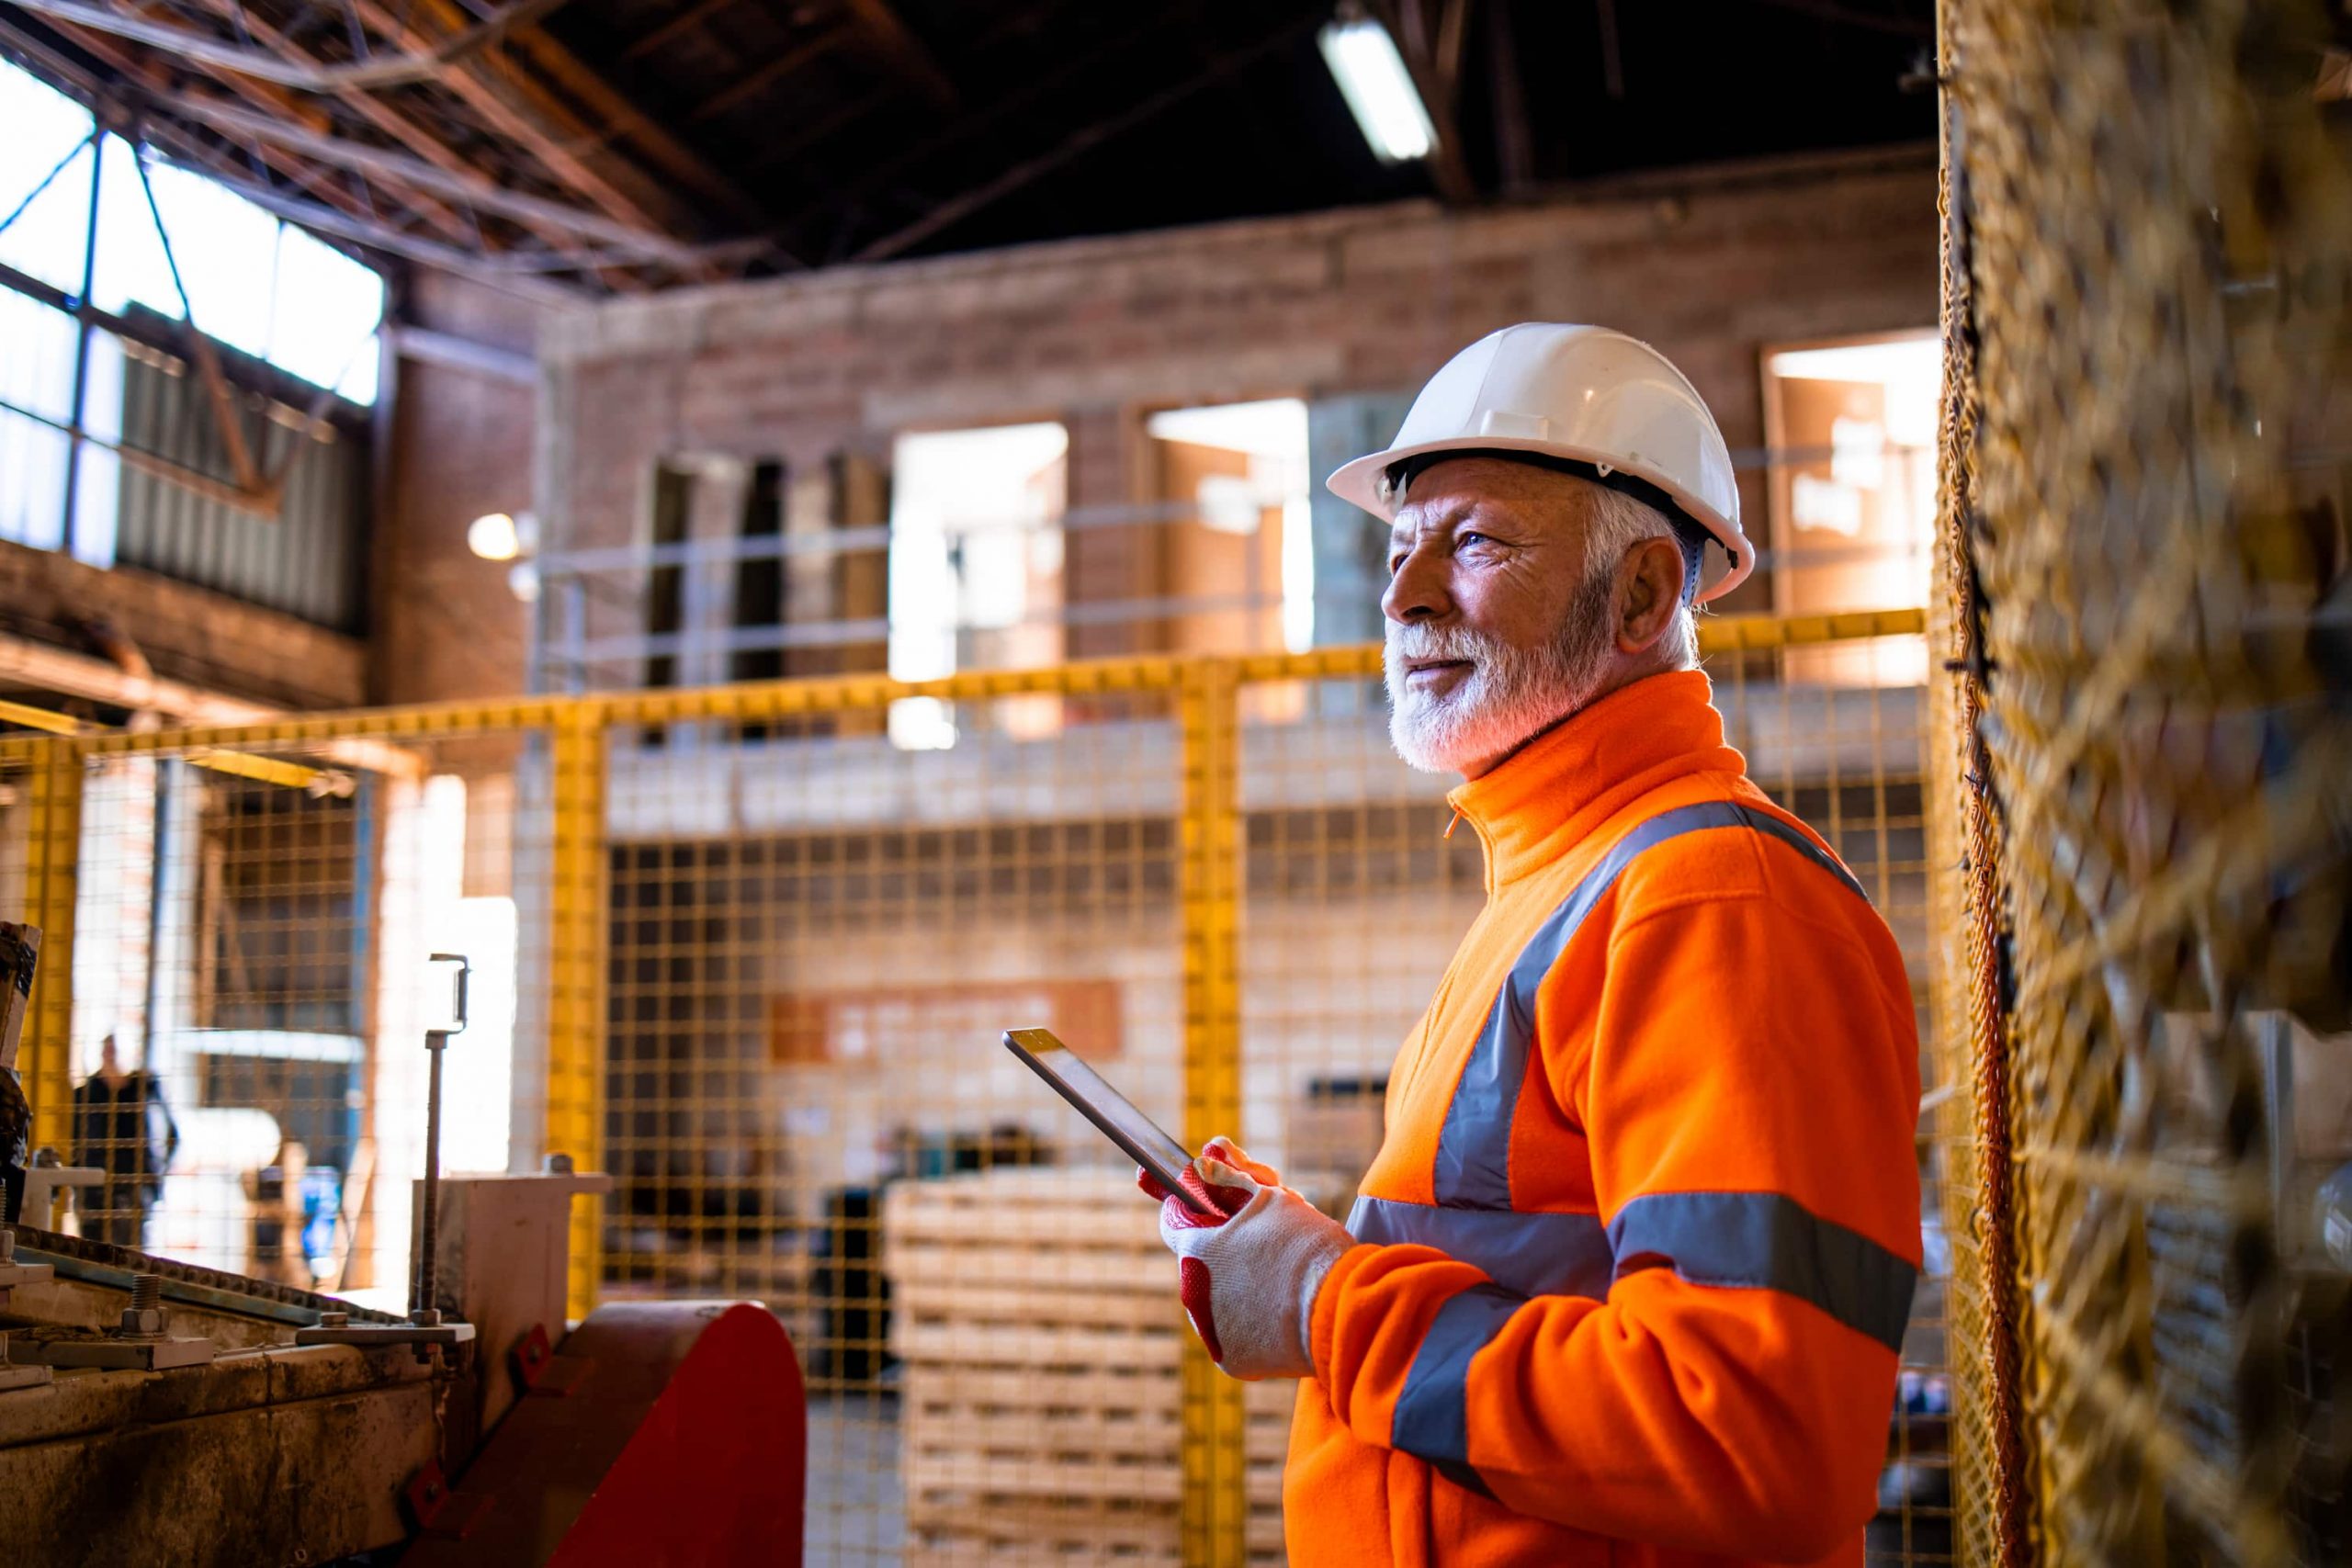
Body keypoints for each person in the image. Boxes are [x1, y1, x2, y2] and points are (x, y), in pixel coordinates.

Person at [1145, 324, 1922, 1565]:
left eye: (1477, 543)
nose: (1402, 597)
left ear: (1643, 595)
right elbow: (1525, 1266)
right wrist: (1314, 1250)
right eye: (1400, 549)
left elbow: (1750, 1440)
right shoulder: (1563, 878)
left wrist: (1315, 1299)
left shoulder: (1715, 899)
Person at [72, 1034, 178, 1248]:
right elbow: (73, 1142)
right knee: (92, 1255)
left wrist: (155, 1177)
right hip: (95, 1189)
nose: (111, 1056)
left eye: (115, 1050)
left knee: (133, 1261)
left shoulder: (145, 1089)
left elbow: (173, 1136)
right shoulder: (85, 1094)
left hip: (135, 1191)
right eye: (107, 1050)